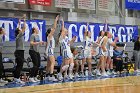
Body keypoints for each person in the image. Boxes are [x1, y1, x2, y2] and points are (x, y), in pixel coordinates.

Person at [45, 15, 59, 81]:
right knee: (53, 63)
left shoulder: (49, 37)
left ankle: (46, 75)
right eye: (51, 30)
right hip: (50, 50)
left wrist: (45, 52)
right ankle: (51, 75)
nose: (52, 31)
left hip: (49, 50)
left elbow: (46, 45)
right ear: (49, 32)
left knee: (49, 64)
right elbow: (54, 28)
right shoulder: (50, 35)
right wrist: (55, 20)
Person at [13, 15, 26, 84]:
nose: (21, 29)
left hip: (20, 51)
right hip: (19, 52)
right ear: (19, 31)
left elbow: (18, 28)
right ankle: (17, 78)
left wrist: (19, 22)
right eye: (20, 29)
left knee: (19, 65)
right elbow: (24, 28)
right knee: (20, 65)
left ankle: (16, 78)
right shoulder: (19, 35)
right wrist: (24, 20)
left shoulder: (18, 35)